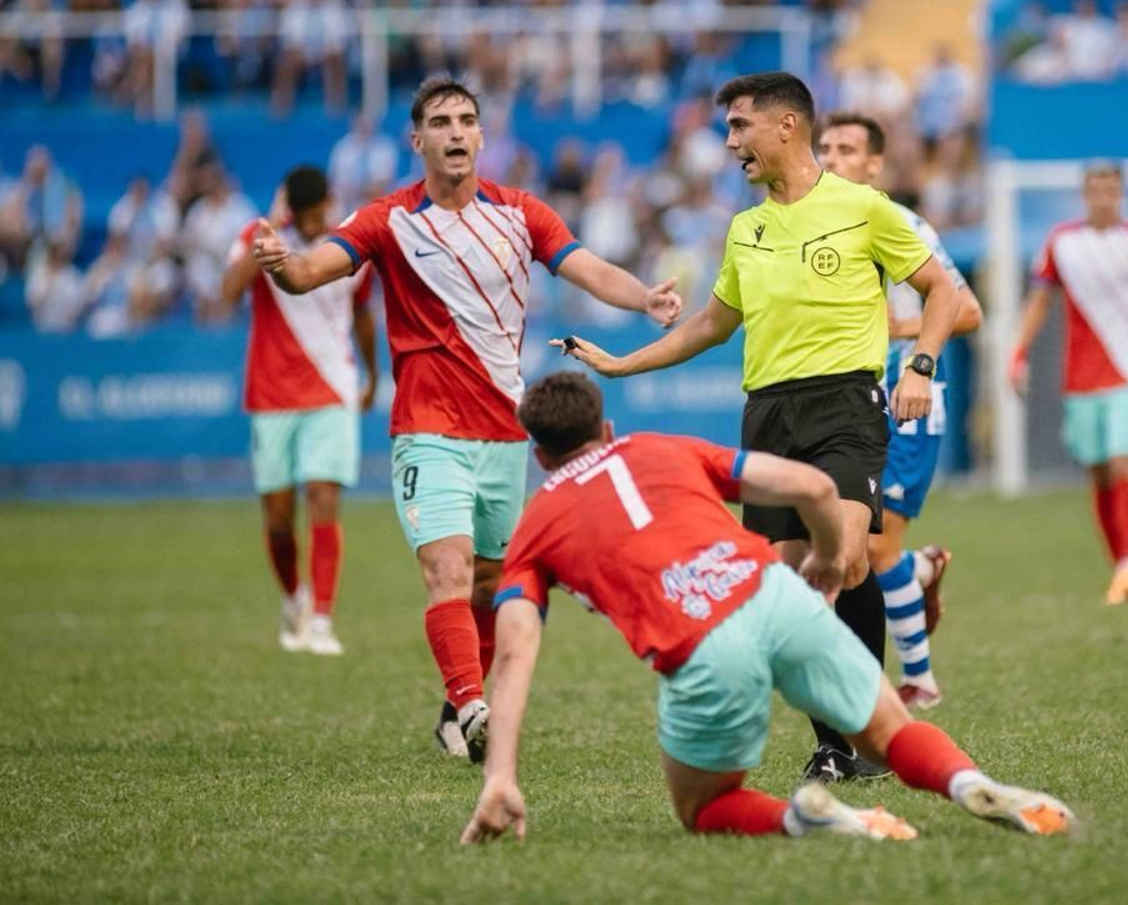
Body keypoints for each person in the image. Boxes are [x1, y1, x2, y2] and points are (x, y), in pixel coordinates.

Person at [251, 76, 683, 760]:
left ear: (482, 136)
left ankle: (457, 709)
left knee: (489, 580)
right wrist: (282, 265)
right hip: (426, 431)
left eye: (467, 120)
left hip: (505, 433)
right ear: (417, 139)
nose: (456, 132)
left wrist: (644, 299)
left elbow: (586, 267)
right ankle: (477, 708)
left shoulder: (521, 214)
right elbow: (311, 274)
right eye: (441, 122)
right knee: (447, 572)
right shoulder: (387, 219)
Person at [460, 373, 1073, 843]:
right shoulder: (659, 448)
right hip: (773, 594)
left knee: (702, 806)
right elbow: (814, 487)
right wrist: (830, 559)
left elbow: (514, 654)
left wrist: (500, 777)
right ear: (608, 428)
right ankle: (969, 783)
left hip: (701, 645)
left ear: (538, 456)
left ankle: (814, 821)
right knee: (890, 734)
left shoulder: (533, 529)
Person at [557, 71, 960, 784]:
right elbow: (714, 324)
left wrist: (920, 367)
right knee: (789, 582)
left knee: (846, 554)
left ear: (786, 127)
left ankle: (866, 732)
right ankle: (842, 742)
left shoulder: (864, 208)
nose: (731, 143)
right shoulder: (746, 227)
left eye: (740, 127)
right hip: (768, 413)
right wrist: (623, 365)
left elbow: (943, 290)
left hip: (845, 404)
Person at [815, 111, 983, 710]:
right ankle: (920, 574)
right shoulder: (814, 227)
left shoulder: (904, 224)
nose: (831, 157)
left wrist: (903, 329)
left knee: (873, 548)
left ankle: (919, 683)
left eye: (846, 148)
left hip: (910, 406)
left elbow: (968, 311)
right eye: (825, 147)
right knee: (853, 545)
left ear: (874, 164)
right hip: (844, 403)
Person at [1008, 160, 1128, 606]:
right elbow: (1039, 302)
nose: (1103, 197)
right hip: (1080, 376)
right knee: (1097, 473)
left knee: (1122, 466)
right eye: (1095, 189)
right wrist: (1017, 353)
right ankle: (1122, 566)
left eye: (1111, 189)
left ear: (1121, 193)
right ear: (1084, 194)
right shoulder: (1062, 242)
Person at [222, 166, 379, 655]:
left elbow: (361, 314)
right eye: (304, 217)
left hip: (333, 387)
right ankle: (295, 598)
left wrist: (373, 375)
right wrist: (266, 233)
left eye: (319, 215)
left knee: (324, 496)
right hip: (271, 394)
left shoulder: (348, 246)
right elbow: (227, 293)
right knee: (277, 518)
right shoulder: (258, 235)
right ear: (290, 210)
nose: (312, 226)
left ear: (329, 203)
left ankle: (323, 621)